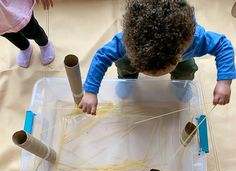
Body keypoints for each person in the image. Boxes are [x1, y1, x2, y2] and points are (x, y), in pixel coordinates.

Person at [79, 0, 236, 115]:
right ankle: (128, 79)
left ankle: (179, 85)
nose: (153, 77)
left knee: (187, 69)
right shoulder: (127, 41)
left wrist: (224, 82)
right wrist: (91, 92)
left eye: (158, 72)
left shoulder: (195, 40)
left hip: (182, 57)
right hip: (139, 53)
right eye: (147, 71)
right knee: (124, 64)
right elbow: (101, 56)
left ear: (178, 54)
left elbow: (223, 45)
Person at [0, 0, 55, 68]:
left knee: (32, 31)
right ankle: (25, 48)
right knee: (10, 35)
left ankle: (44, 44)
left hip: (15, 7)